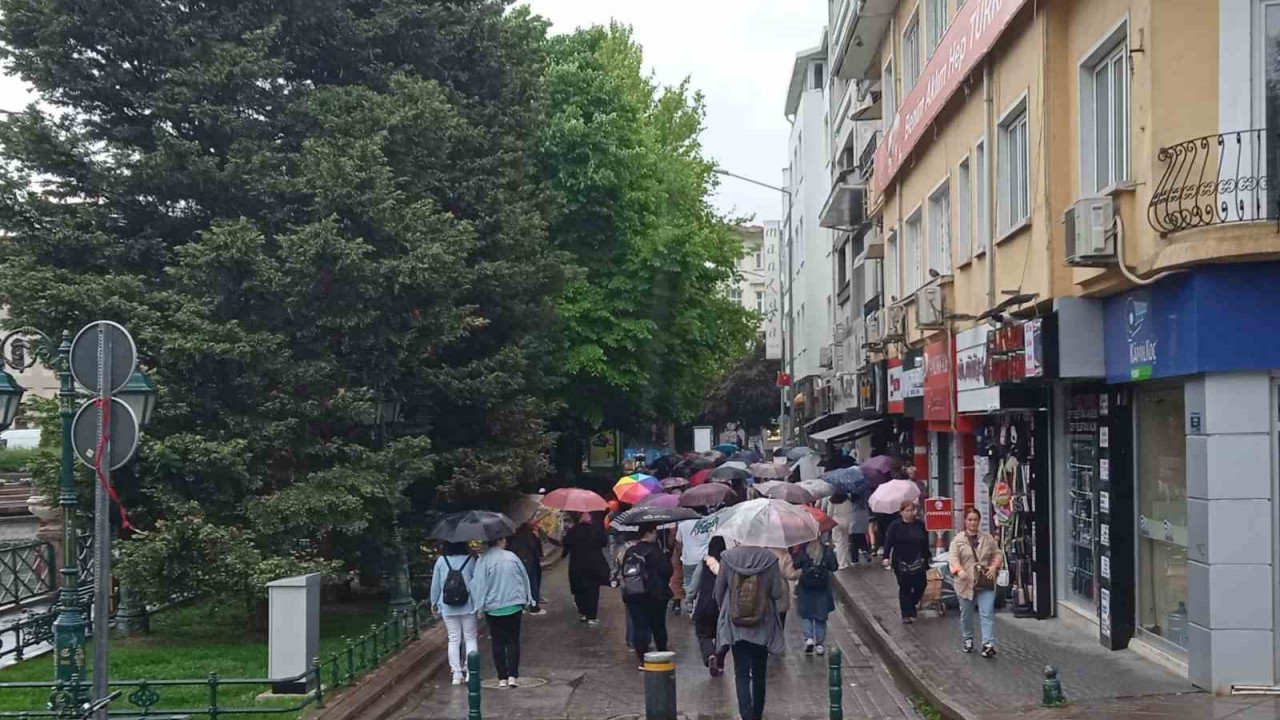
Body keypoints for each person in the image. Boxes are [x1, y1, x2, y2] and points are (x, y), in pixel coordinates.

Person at [714, 544, 787, 720]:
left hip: (736, 624)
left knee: (741, 673)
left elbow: (718, 591)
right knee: (759, 673)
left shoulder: (727, 558)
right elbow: (777, 592)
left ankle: (746, 715)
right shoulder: (770, 559)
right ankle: (757, 714)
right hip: (762, 623)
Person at [470, 536, 534, 688]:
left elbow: (479, 585)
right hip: (514, 604)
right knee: (513, 640)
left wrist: (479, 606)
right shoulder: (512, 557)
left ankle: (502, 678)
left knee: (497, 641)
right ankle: (513, 675)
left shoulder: (484, 560)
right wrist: (528, 599)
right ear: (501, 542)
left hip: (493, 607)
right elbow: (524, 578)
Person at [949, 507, 1003, 657]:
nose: (973, 523)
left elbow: (998, 553)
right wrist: (959, 571)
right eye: (970, 520)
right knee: (966, 614)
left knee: (986, 613)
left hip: (985, 581)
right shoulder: (958, 540)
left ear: (979, 521)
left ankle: (988, 644)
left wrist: (994, 566)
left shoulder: (987, 538)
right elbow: (953, 558)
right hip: (965, 584)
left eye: (975, 520)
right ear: (965, 521)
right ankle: (968, 639)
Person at [620, 524, 674, 667]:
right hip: (655, 596)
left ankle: (642, 660)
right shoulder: (656, 551)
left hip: (634, 595)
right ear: (649, 533)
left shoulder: (630, 551)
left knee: (639, 627)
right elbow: (667, 571)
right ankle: (661, 654)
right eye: (654, 532)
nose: (656, 535)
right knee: (658, 626)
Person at [429, 541, 479, 685]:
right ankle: (471, 672)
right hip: (468, 604)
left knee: (453, 639)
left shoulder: (441, 561)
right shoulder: (470, 560)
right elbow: (476, 582)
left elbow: (435, 585)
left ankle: (456, 674)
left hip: (447, 605)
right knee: (470, 638)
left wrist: (434, 602)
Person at [882, 500, 931, 624]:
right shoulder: (895, 526)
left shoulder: (919, 524)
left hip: (918, 560)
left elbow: (925, 542)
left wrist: (927, 557)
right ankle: (906, 614)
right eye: (907, 510)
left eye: (912, 510)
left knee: (921, 585)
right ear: (901, 512)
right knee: (905, 587)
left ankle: (911, 604)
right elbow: (889, 542)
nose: (910, 513)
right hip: (901, 561)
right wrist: (885, 557)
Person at [689, 535, 728, 675]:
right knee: (723, 635)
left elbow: (694, 585)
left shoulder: (704, 563)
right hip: (723, 605)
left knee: (703, 634)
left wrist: (689, 599)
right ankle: (720, 661)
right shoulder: (728, 563)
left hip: (705, 604)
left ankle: (710, 655)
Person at [562, 511, 610, 625]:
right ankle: (592, 615)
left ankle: (583, 612)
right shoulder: (595, 529)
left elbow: (566, 544)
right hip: (593, 564)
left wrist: (563, 554)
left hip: (577, 564)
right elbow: (604, 542)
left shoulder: (573, 530)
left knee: (579, 589)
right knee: (593, 590)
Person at [793, 538, 838, 654]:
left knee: (806, 613)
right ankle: (819, 643)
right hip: (822, 588)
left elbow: (796, 564)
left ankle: (809, 638)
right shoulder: (826, 550)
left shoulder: (803, 549)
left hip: (806, 587)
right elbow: (834, 566)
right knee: (821, 615)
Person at [675, 515, 715, 613]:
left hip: (688, 559)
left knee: (688, 581)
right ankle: (700, 603)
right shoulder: (708, 522)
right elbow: (712, 539)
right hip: (704, 558)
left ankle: (690, 604)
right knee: (703, 582)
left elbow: (678, 540)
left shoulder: (682, 524)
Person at [508, 520, 544, 615]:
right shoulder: (530, 536)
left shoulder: (515, 536)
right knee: (532, 584)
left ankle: (522, 605)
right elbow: (536, 550)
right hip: (529, 563)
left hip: (517, 562)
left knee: (520, 584)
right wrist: (537, 538)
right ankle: (534, 607)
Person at [823, 493, 855, 569]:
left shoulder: (832, 500)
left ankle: (841, 563)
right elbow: (851, 510)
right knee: (846, 541)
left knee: (839, 543)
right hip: (847, 521)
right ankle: (847, 561)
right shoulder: (848, 500)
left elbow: (829, 513)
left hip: (836, 522)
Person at [850, 496, 871, 564]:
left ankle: (855, 559)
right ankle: (865, 550)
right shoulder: (864, 501)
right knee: (862, 539)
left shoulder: (851, 503)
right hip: (863, 522)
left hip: (853, 522)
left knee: (853, 543)